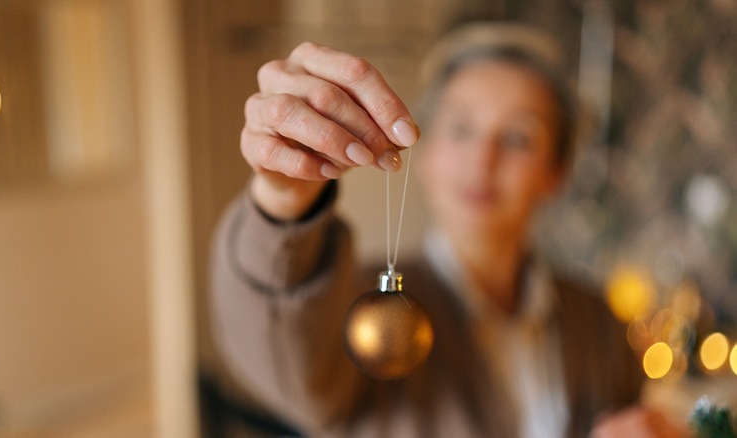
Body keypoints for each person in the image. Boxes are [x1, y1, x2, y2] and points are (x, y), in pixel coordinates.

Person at [209, 22, 682, 437]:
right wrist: (283, 199)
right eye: (460, 129)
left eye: (517, 137)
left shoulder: (597, 321)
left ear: (556, 171)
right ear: (426, 151)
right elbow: (280, 345)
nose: (483, 161)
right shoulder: (354, 315)